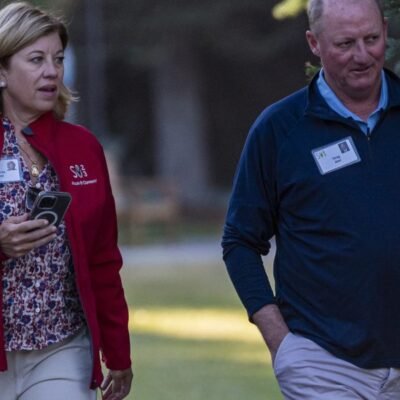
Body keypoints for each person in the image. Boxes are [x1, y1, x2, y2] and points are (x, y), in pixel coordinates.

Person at [222, 0, 400, 398]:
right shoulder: (280, 129)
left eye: (372, 39)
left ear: (386, 32)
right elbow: (239, 241)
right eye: (345, 44)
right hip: (324, 365)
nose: (362, 55)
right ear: (314, 43)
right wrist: (282, 344)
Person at [0, 2, 133, 399]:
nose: (51, 72)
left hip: (61, 348)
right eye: (36, 59)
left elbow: (103, 258)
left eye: (57, 59)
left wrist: (118, 351)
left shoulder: (83, 147)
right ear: (2, 70)